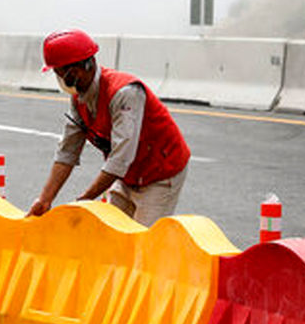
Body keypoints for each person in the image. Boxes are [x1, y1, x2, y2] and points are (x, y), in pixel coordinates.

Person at [26, 28, 191, 226]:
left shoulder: (125, 93)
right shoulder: (79, 98)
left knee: (143, 241)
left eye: (64, 74)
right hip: (127, 175)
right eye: (57, 74)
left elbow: (120, 159)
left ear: (84, 66)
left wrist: (84, 200)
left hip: (160, 173)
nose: (62, 81)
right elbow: (67, 152)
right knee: (112, 234)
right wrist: (45, 200)